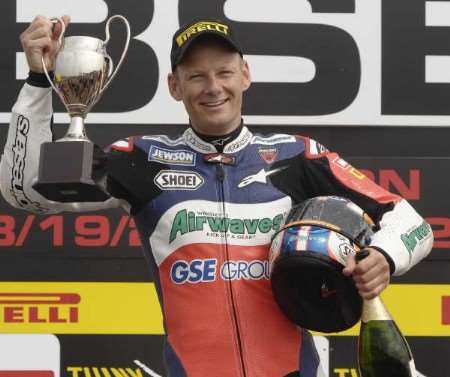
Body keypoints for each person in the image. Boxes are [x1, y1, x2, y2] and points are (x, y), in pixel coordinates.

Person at [0, 16, 434, 377]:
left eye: (224, 72)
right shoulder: (143, 160)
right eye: (196, 76)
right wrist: (39, 82)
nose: (213, 87)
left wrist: (384, 257)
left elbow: (411, 224)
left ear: (244, 75)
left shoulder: (297, 155)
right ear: (174, 86)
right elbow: (23, 189)